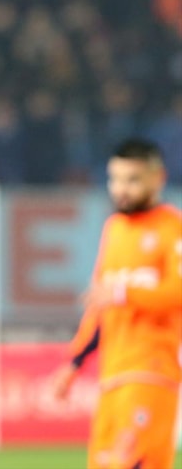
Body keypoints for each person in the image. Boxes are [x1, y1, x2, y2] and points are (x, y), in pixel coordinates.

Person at [51, 138, 182, 469]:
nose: (121, 189)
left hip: (152, 370)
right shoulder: (114, 228)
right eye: (115, 179)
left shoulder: (173, 227)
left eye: (133, 179)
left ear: (158, 178)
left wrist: (125, 293)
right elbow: (100, 304)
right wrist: (74, 362)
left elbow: (178, 291)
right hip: (112, 376)